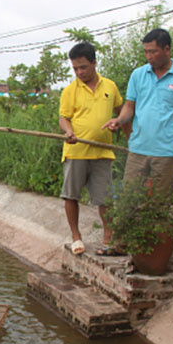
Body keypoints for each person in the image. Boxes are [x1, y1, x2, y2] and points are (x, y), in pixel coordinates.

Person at [102, 28, 173, 195]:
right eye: (146, 52)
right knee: (130, 198)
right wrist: (119, 120)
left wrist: (171, 129)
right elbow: (130, 106)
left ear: (166, 49)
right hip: (138, 148)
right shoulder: (138, 75)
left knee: (159, 203)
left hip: (166, 152)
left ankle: (158, 222)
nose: (148, 56)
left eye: (153, 51)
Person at [59, 42, 123, 256]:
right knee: (71, 195)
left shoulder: (110, 87)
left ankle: (108, 237)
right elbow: (64, 118)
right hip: (76, 152)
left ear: (94, 63)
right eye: (75, 68)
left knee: (104, 197)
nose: (79, 72)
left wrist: (118, 122)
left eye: (83, 67)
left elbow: (121, 112)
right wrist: (68, 132)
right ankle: (76, 236)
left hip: (102, 151)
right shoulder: (70, 91)